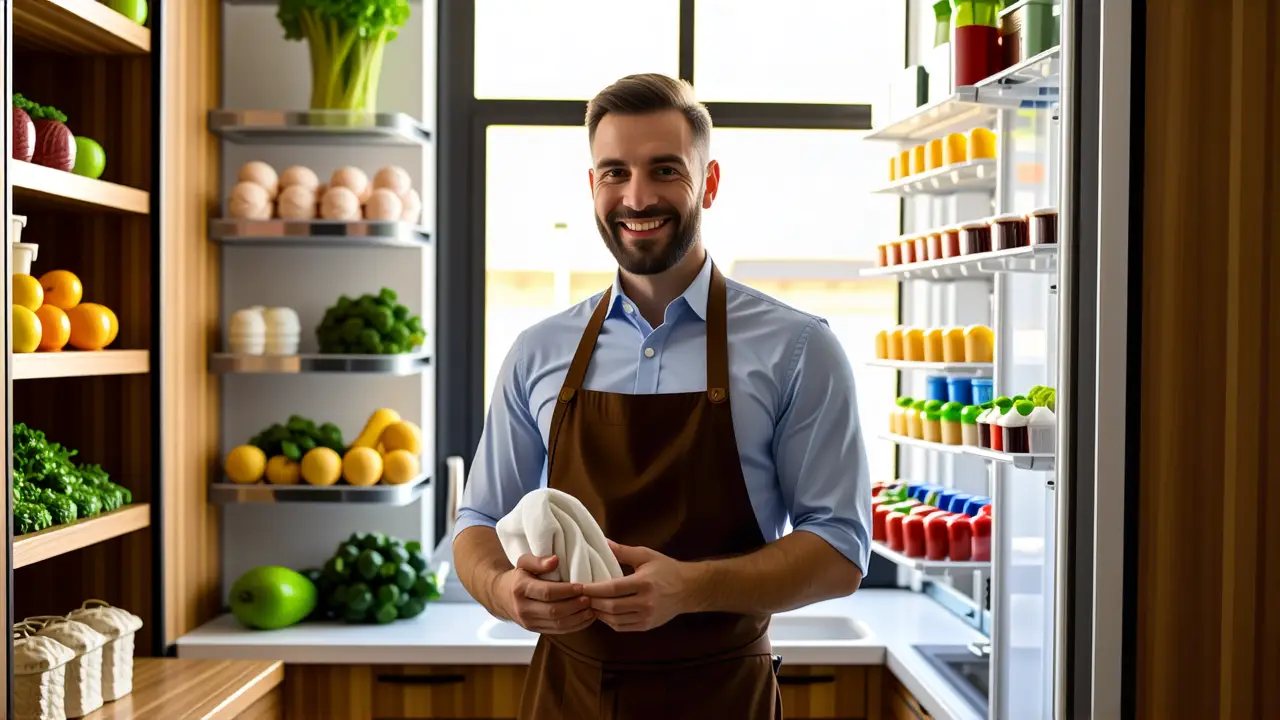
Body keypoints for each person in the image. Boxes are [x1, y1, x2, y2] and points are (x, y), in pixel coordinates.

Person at [453, 72, 872, 719]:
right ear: (592, 186)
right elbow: (477, 521)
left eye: (665, 170)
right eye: (615, 172)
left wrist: (691, 587)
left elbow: (840, 550)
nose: (637, 195)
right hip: (566, 697)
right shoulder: (538, 350)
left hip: (722, 695)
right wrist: (503, 588)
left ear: (709, 183)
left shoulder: (798, 348)